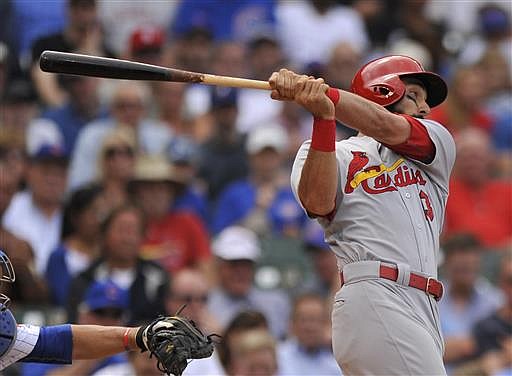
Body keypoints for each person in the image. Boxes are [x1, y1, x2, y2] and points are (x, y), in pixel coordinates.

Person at [269, 55, 455, 374]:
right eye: (414, 96)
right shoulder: (334, 152)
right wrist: (324, 119)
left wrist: (325, 94)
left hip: (424, 303)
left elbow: (384, 125)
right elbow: (317, 203)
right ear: (382, 92)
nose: (425, 108)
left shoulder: (437, 144)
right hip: (374, 289)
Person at [0, 250, 213, 373]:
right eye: (101, 312)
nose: (107, 319)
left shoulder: (4, 334)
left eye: (114, 315)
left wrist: (139, 336)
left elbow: (61, 341)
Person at [207, 226, 290, 339]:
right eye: (234, 264)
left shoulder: (276, 303)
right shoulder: (205, 304)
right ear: (219, 267)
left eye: (246, 264)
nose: (240, 272)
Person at [438, 233, 503, 371]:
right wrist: (477, 343)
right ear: (446, 265)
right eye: (459, 269)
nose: (465, 273)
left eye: (469, 269)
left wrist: (465, 345)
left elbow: (505, 349)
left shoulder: (495, 300)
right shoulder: (433, 299)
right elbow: (425, 349)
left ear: (479, 264)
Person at [277, 293, 339, 375]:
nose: (309, 327)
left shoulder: (337, 364)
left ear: (326, 324)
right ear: (292, 324)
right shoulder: (278, 357)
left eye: (315, 320)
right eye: (304, 320)